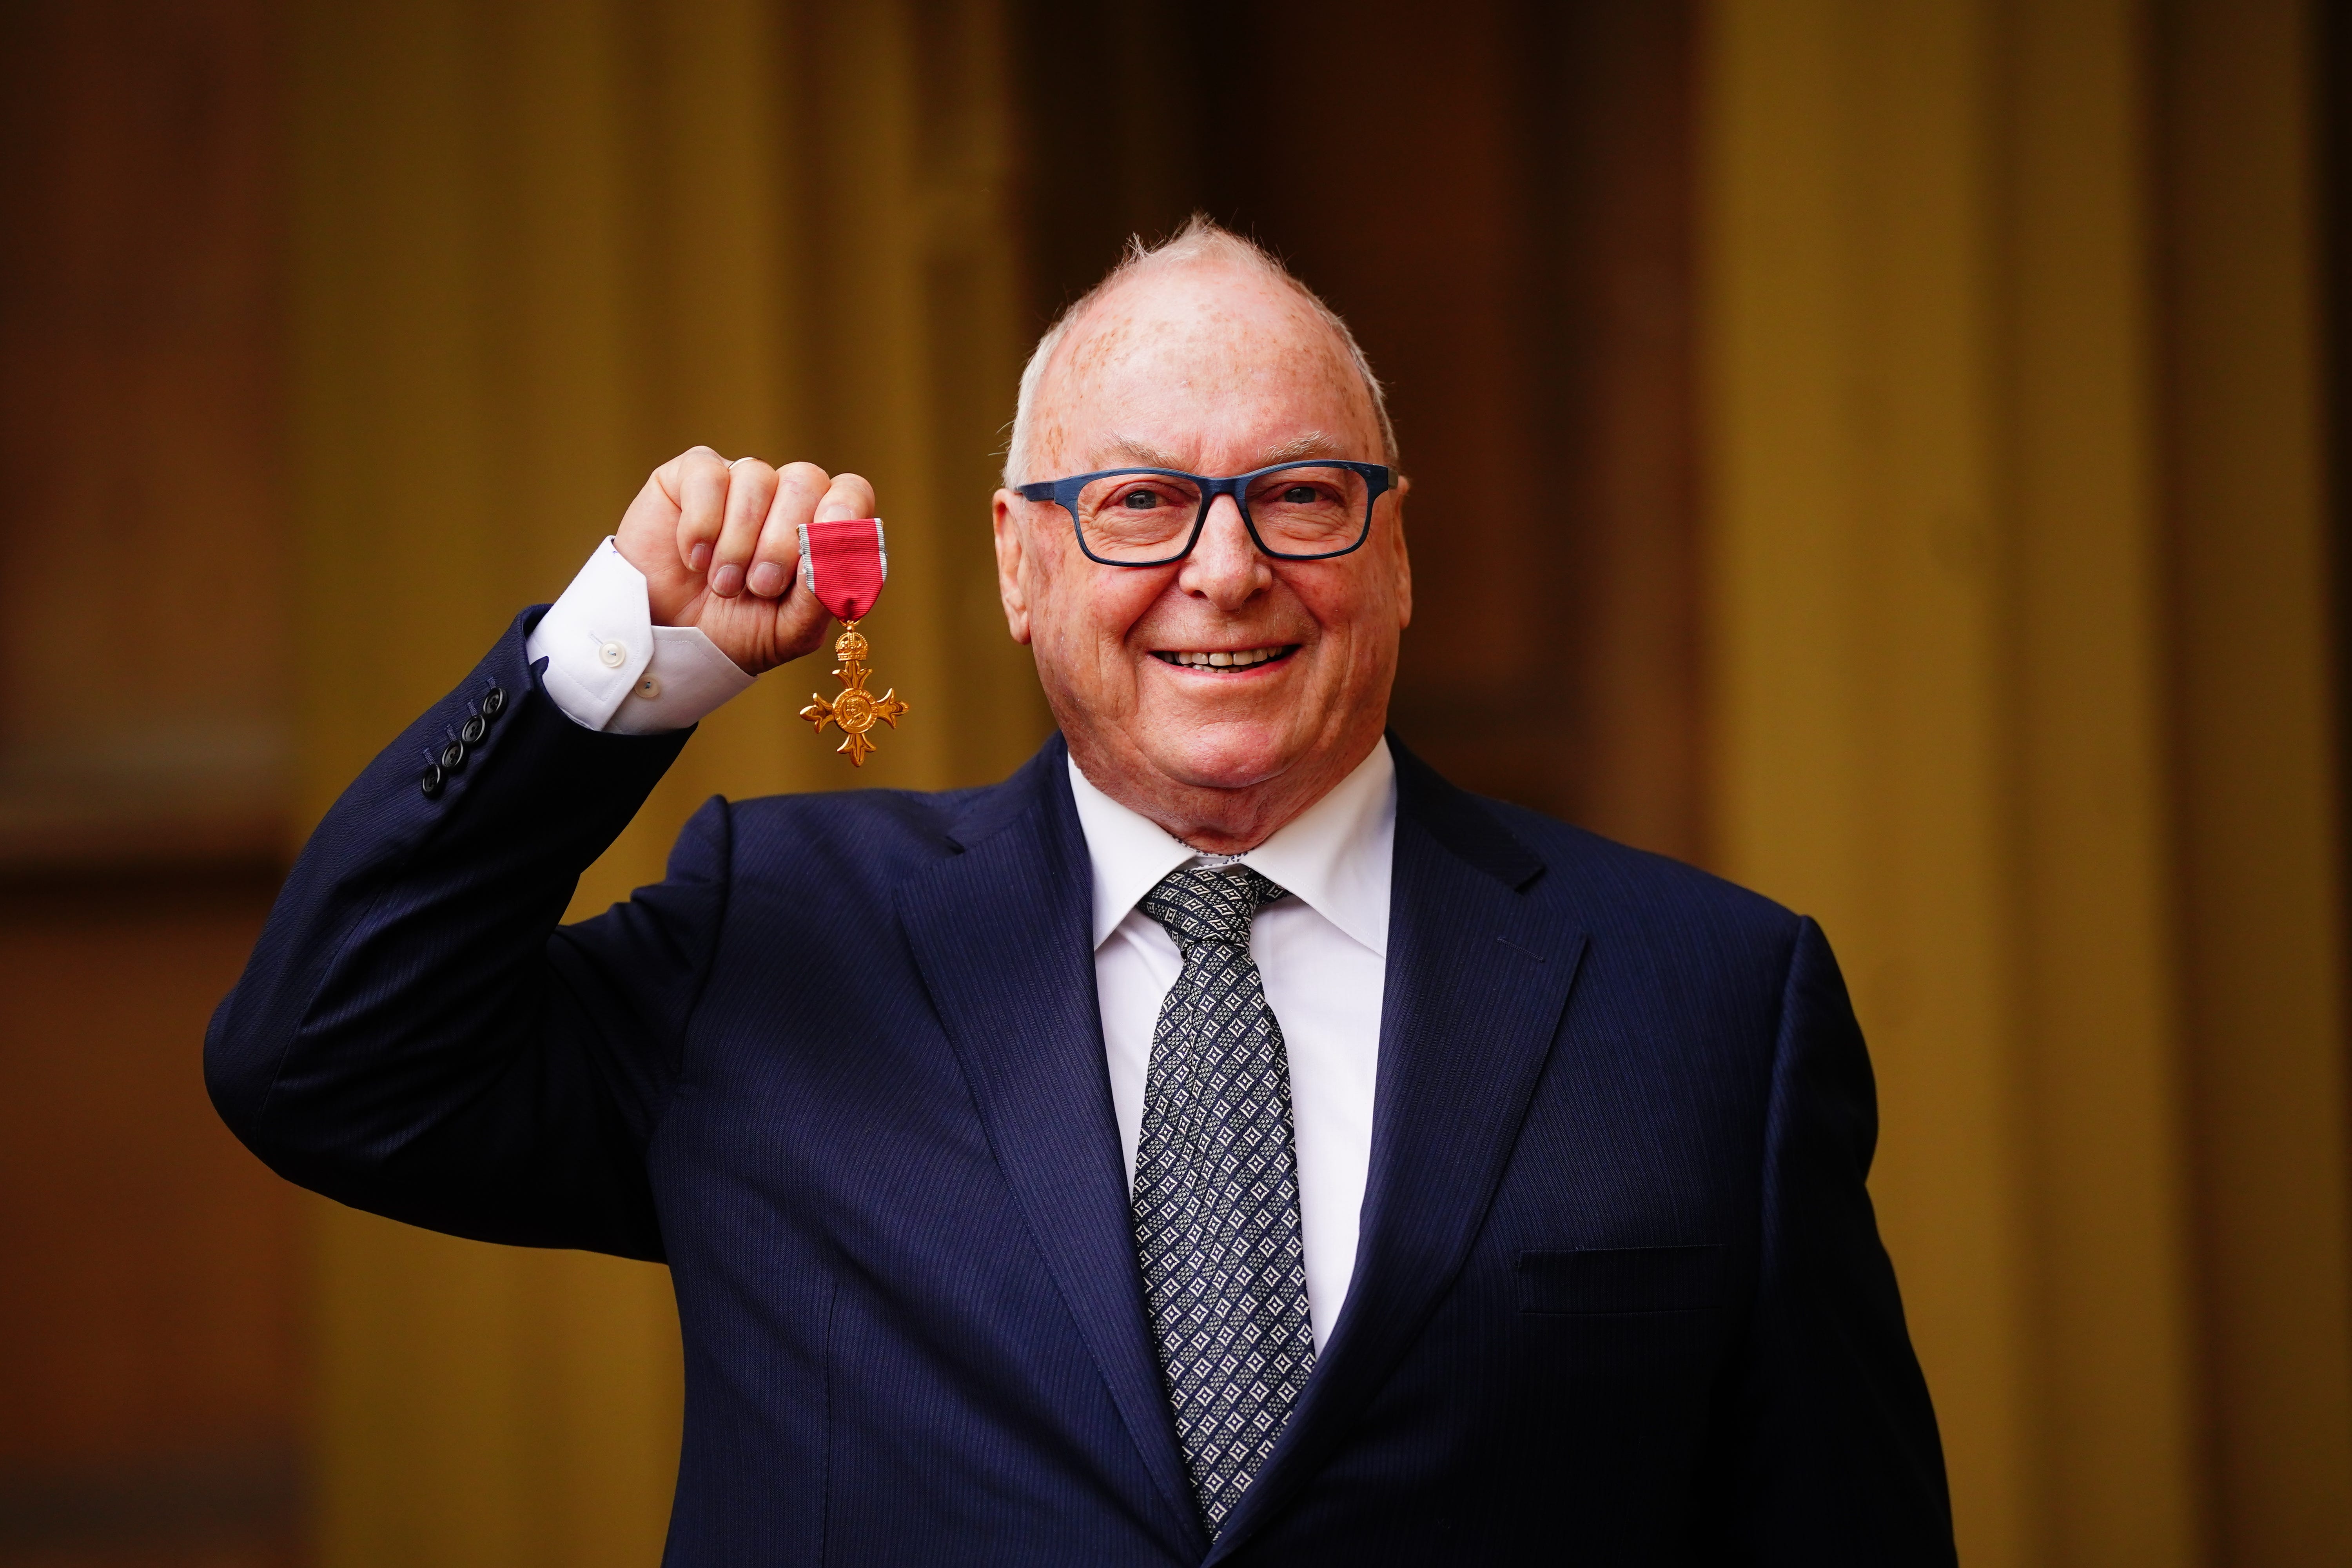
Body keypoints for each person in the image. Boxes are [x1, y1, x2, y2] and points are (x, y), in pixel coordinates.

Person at [207, 218, 1955, 1565]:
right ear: (1018, 566)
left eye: (1300, 495)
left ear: (1398, 552)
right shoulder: (783, 937)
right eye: (1138, 502)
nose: (1225, 566)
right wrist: (616, 657)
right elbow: (328, 1056)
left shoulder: (1713, 1002)